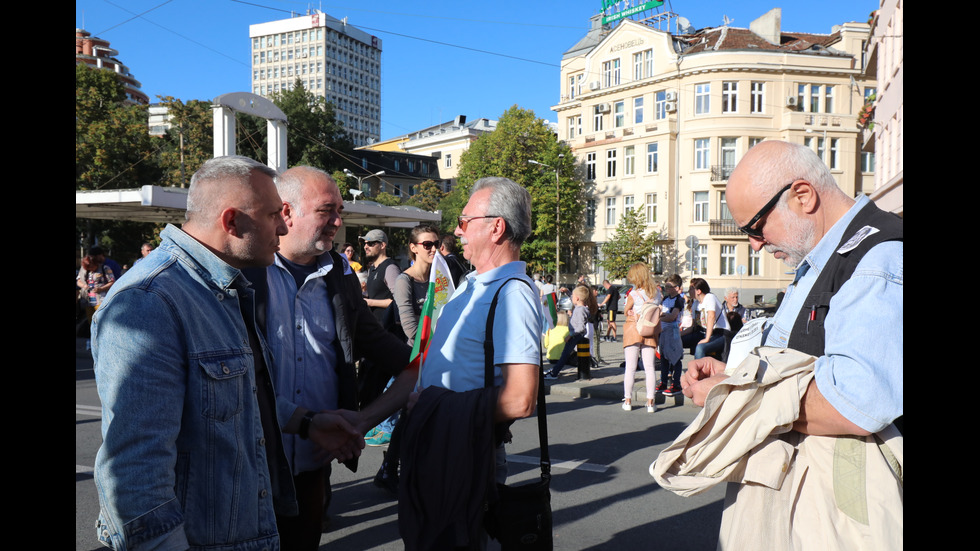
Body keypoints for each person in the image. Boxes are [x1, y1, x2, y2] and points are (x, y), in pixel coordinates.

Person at [91, 156, 363, 550]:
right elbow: (136, 474)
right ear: (231, 221)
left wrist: (306, 422)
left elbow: (233, 399)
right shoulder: (149, 302)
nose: (284, 226)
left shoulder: (221, 286)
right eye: (274, 215)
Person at [679, 140, 903, 549]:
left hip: (837, 515)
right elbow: (799, 365)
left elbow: (854, 402)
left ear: (802, 196)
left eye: (755, 227)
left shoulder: (877, 260)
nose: (755, 244)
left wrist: (734, 395)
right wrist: (733, 375)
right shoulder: (820, 258)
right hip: (805, 503)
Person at [242, 166, 414, 550]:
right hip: (249, 468)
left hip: (312, 467)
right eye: (326, 210)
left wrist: (429, 364)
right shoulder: (245, 273)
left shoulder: (338, 272)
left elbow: (382, 346)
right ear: (285, 213)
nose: (338, 221)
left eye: (340, 210)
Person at [398, 177, 543, 550]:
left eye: (464, 221)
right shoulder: (472, 283)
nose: (456, 230)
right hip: (443, 443)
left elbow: (521, 399)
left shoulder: (512, 294)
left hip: (467, 452)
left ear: (496, 227)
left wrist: (433, 405)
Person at [621, 262, 661, 413]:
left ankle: (628, 400)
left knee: (630, 368)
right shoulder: (656, 293)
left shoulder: (633, 294)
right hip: (650, 330)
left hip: (634, 329)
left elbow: (626, 311)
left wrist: (630, 311)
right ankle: (650, 402)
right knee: (649, 368)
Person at [544, 285, 596, 379]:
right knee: (565, 354)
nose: (571, 297)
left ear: (577, 298)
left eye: (572, 296)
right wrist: (567, 291)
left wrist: (570, 335)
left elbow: (580, 327)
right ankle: (555, 370)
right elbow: (575, 298)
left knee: (564, 355)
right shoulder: (581, 307)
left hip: (575, 335)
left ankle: (554, 373)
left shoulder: (580, 310)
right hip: (576, 335)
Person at [656, 274, 685, 397]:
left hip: (673, 332)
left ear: (677, 288)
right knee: (663, 358)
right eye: (665, 286)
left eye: (669, 286)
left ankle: (676, 383)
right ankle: (663, 381)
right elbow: (659, 311)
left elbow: (673, 316)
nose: (666, 288)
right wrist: (661, 315)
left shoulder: (679, 300)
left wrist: (661, 316)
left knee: (675, 358)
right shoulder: (665, 299)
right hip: (663, 331)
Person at [692, 279, 730, 359]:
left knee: (700, 347)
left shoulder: (710, 297)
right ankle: (670, 370)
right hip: (705, 332)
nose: (688, 291)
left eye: (691, 289)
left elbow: (711, 316)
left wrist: (707, 338)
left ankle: (699, 370)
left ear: (698, 291)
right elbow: (696, 324)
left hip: (721, 333)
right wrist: (679, 335)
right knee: (678, 340)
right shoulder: (696, 304)